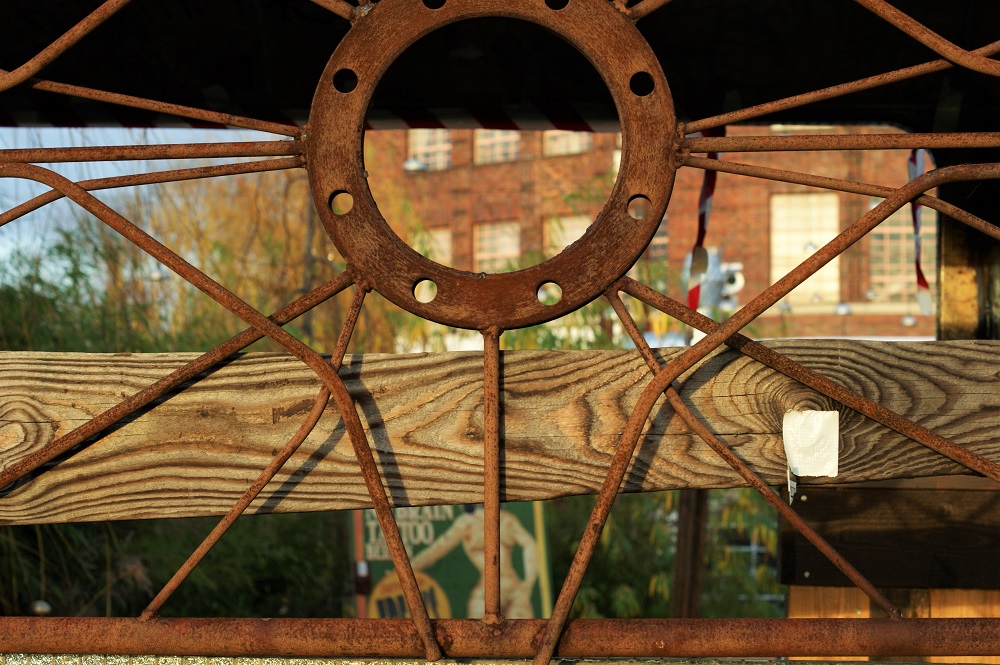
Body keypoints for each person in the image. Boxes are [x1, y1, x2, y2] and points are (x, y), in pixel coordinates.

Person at [409, 504, 537, 618]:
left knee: (519, 635)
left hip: (508, 590)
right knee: (482, 635)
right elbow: (436, 550)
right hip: (494, 591)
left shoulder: (504, 519)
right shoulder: (469, 523)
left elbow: (436, 550)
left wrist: (528, 584)